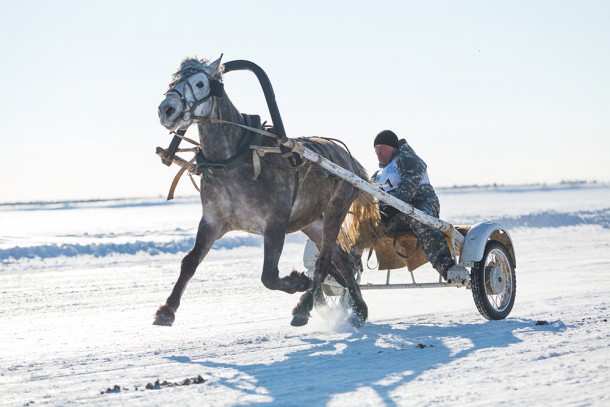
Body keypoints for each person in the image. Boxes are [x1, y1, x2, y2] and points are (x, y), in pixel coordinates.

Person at [372, 130, 464, 281]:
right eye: (375, 149)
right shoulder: (379, 174)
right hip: (396, 213)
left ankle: (448, 267)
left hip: (423, 205)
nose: (378, 152)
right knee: (362, 227)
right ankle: (343, 273)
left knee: (419, 219)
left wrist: (387, 207)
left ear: (393, 147)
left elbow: (406, 192)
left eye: (382, 147)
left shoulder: (409, 160)